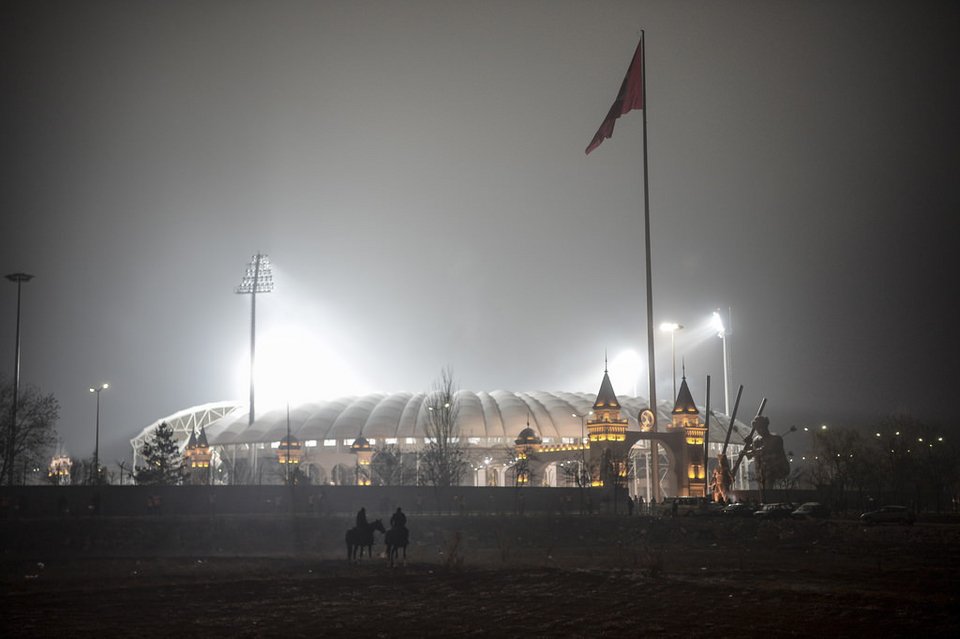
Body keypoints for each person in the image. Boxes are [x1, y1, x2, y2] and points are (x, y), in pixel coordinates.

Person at [746, 416, 789, 494]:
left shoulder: (776, 439)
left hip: (776, 471)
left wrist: (751, 451)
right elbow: (751, 456)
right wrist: (746, 448)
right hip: (761, 472)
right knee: (762, 492)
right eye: (757, 429)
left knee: (770, 491)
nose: (759, 430)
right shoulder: (756, 440)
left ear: (766, 426)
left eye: (761, 427)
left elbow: (765, 450)